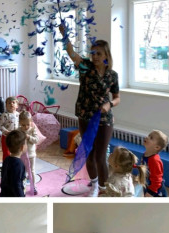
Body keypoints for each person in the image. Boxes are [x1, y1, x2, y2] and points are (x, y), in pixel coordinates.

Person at [59, 23, 120, 197]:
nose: (95, 56)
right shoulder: (85, 67)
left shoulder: (112, 75)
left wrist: (109, 105)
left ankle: (104, 189)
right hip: (85, 116)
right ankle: (94, 185)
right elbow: (71, 52)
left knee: (101, 156)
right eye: (93, 53)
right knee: (89, 154)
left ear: (106, 55)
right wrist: (64, 35)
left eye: (99, 53)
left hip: (103, 118)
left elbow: (117, 98)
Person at [0, 129, 27, 197]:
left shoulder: (6, 159)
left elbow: (3, 177)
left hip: (4, 193)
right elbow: (16, 185)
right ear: (22, 147)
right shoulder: (19, 164)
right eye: (26, 143)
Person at [141, 130, 169, 197]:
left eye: (151, 138)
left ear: (157, 147)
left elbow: (157, 179)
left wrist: (151, 192)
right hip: (148, 185)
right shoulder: (145, 154)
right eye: (148, 135)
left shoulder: (154, 160)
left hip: (156, 191)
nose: (147, 137)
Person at [19, 110, 39, 195]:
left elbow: (36, 140)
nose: (26, 127)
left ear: (31, 122)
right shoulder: (18, 130)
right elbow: (16, 141)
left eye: (28, 124)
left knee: (32, 171)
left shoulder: (33, 130)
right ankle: (22, 186)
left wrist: (29, 137)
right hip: (21, 155)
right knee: (23, 172)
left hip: (31, 155)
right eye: (23, 125)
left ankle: (33, 186)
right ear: (20, 123)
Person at [0, 96, 20, 161]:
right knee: (6, 152)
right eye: (9, 103)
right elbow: (0, 125)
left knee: (16, 151)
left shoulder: (18, 115)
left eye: (13, 102)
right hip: (6, 136)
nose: (11, 104)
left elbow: (20, 124)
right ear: (6, 106)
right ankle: (6, 164)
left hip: (15, 137)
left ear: (17, 106)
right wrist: (6, 131)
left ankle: (14, 163)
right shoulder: (4, 115)